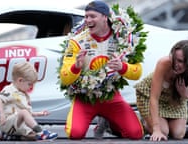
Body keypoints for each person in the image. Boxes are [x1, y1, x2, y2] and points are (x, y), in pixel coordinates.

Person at [59, 0, 144, 140]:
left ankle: (109, 123)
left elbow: (137, 72)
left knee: (136, 133)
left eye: (92, 16)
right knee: (75, 134)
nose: (88, 20)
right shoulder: (76, 41)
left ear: (105, 17)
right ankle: (103, 119)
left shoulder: (122, 37)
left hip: (111, 96)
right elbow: (64, 77)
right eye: (86, 17)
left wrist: (123, 67)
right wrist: (76, 67)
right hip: (86, 97)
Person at [135, 40, 188, 141]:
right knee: (163, 132)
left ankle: (160, 121)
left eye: (180, 61)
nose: (176, 64)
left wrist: (184, 93)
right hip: (149, 95)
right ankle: (142, 120)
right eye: (174, 59)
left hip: (176, 99)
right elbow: (154, 98)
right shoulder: (164, 63)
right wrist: (156, 129)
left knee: (178, 134)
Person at [0, 62, 58, 141]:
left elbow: (28, 114)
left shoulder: (24, 95)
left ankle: (10, 136)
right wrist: (2, 114)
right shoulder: (10, 89)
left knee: (33, 136)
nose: (31, 87)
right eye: (29, 84)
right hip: (7, 122)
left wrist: (39, 113)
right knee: (24, 113)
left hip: (18, 124)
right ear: (20, 80)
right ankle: (41, 132)